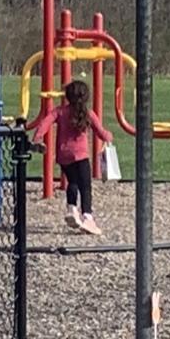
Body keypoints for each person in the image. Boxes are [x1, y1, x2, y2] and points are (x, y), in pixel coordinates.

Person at [32, 80, 113, 235]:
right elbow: (101, 132)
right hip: (81, 156)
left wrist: (37, 138)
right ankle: (87, 217)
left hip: (64, 156)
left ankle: (72, 208)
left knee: (73, 181)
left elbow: (45, 123)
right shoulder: (88, 114)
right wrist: (109, 136)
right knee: (85, 186)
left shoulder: (60, 111)